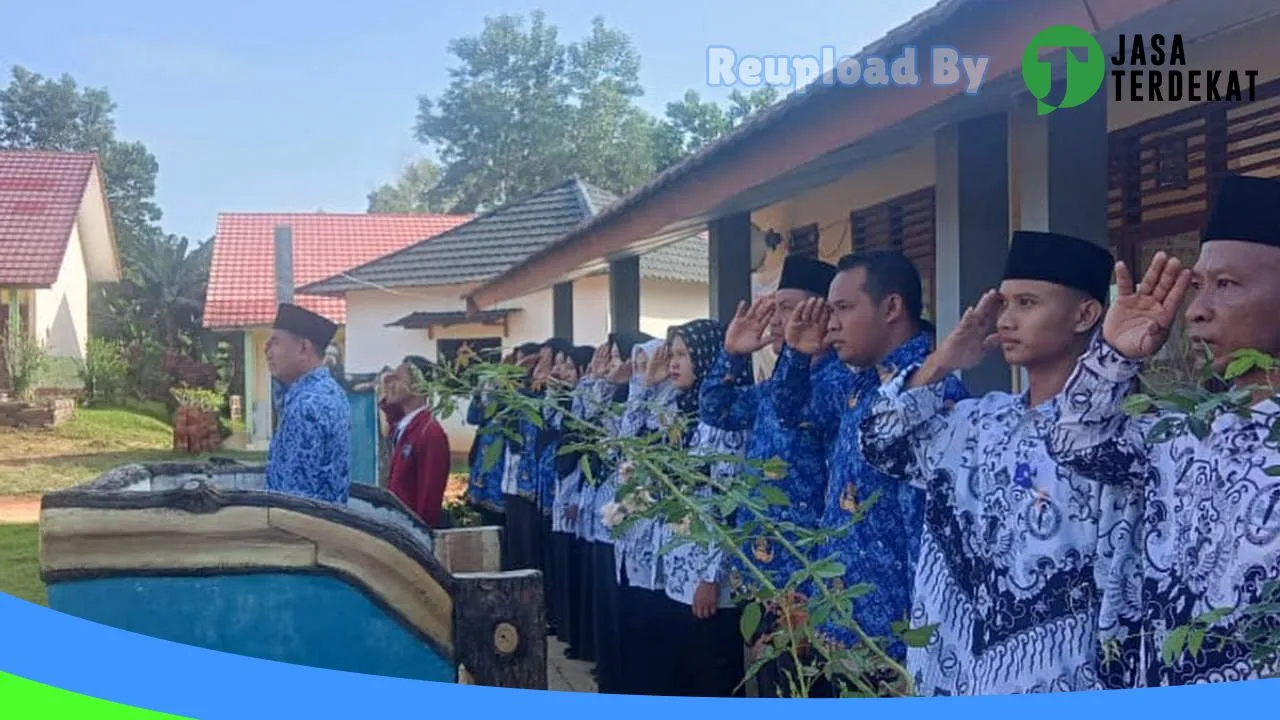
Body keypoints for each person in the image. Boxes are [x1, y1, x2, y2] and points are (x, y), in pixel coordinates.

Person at [854, 232, 1136, 695]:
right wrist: (942, 362)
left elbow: (1122, 588)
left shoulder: (1111, 443)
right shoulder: (979, 420)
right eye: (1004, 304)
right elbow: (879, 442)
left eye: (1027, 303)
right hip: (948, 678)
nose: (1005, 320)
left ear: (1085, 314)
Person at [1047, 173, 1280, 687]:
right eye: (1197, 286)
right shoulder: (1183, 430)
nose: (1195, 312)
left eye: (1227, 285)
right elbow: (1073, 441)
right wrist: (1113, 356)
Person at [775, 250, 965, 696]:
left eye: (843, 308)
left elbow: (929, 538)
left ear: (892, 307)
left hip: (891, 650)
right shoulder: (856, 381)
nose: (831, 323)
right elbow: (791, 412)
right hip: (843, 630)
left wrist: (918, 657)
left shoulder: (934, 393)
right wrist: (798, 357)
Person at [698, 255, 841, 697]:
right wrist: (732, 355)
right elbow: (716, 408)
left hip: (809, 581)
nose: (776, 320)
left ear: (824, 313)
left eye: (789, 307)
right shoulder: (776, 386)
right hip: (762, 574)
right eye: (775, 307)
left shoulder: (838, 385)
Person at [652, 319, 753, 698]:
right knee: (687, 678)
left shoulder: (725, 423)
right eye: (673, 354)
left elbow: (727, 504)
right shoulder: (685, 412)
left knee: (713, 678)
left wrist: (711, 578)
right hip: (681, 573)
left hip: (710, 583)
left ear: (708, 358)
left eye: (683, 355)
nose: (673, 363)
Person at [582, 330, 654, 689]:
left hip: (639, 528)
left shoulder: (655, 407)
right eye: (630, 362)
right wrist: (604, 385)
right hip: (612, 520)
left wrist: (635, 387)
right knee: (611, 608)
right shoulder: (628, 402)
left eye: (642, 363)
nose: (628, 369)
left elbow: (625, 448)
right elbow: (606, 441)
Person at [604, 337, 673, 695]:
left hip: (656, 536)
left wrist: (645, 390)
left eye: (650, 364)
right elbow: (622, 448)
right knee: (628, 623)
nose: (643, 373)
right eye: (640, 365)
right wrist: (639, 390)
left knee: (652, 632)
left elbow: (639, 445)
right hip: (631, 533)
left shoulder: (673, 402)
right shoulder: (641, 397)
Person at [264, 302, 350, 503]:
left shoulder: (307, 405)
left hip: (301, 531)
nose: (268, 352)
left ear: (303, 348)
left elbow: (294, 499)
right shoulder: (332, 392)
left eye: (276, 343)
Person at [547, 345, 597, 657]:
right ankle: (568, 631)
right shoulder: (573, 400)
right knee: (565, 566)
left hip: (582, 492)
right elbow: (551, 423)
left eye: (567, 366)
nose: (561, 371)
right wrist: (554, 389)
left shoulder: (592, 403)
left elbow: (586, 447)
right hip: (565, 488)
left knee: (579, 572)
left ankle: (582, 641)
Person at [382, 355, 452, 527]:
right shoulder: (403, 426)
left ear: (418, 386)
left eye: (398, 379)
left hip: (412, 531)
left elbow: (429, 495)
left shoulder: (429, 433)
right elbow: (389, 416)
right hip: (397, 524)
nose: (390, 385)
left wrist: (421, 533)